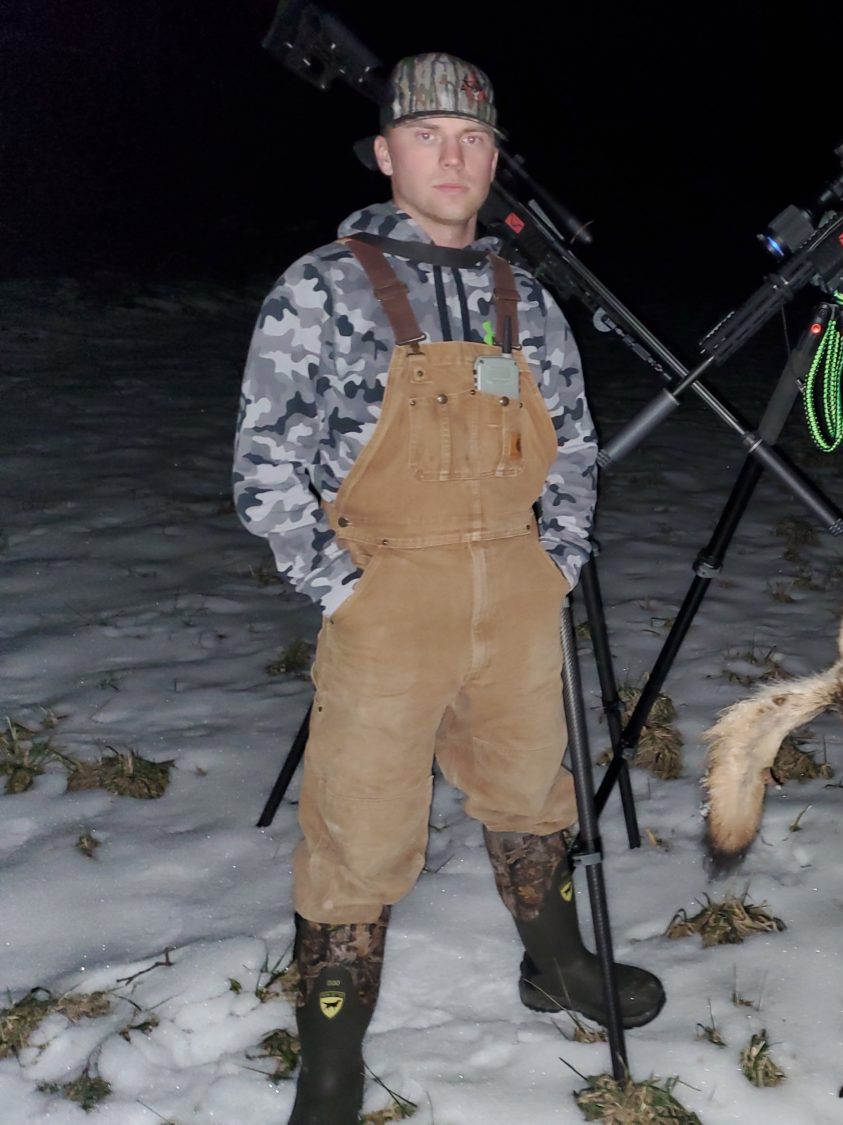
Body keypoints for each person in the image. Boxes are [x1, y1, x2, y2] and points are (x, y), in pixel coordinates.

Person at [233, 53, 664, 1124]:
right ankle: (330, 1062)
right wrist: (340, 586)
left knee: (534, 792)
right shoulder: (322, 286)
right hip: (388, 596)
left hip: (514, 592)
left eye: (473, 139)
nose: (455, 155)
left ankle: (555, 964)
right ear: (387, 155)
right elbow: (263, 459)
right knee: (358, 830)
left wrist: (553, 561)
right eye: (429, 136)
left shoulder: (524, 294)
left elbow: (572, 449)